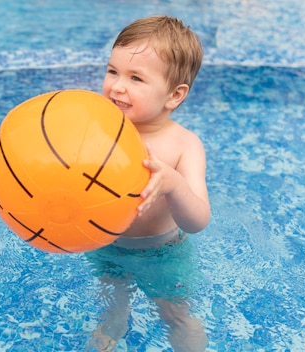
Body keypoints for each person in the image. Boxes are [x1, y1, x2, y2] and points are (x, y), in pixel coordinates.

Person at [86, 16, 211, 352]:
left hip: (162, 253)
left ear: (174, 95)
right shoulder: (98, 128)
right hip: (107, 245)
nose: (117, 86)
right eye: (113, 71)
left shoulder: (184, 145)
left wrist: (173, 184)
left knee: (176, 314)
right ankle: (116, 320)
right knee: (112, 298)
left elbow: (198, 220)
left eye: (136, 78)